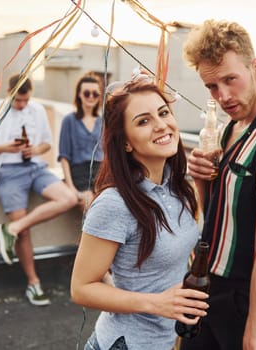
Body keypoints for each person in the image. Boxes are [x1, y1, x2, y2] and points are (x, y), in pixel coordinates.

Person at [181, 19, 256, 350]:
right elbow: (214, 214)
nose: (222, 95)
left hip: (243, 297)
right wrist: (201, 177)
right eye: (211, 87)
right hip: (208, 285)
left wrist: (253, 341)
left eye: (230, 80)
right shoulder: (229, 129)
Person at [70, 78, 209, 350]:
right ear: (126, 143)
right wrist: (157, 303)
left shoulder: (178, 187)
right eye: (143, 121)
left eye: (164, 112)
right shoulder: (115, 203)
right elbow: (81, 288)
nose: (161, 125)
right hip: (125, 344)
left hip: (164, 341)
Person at [0, 74, 78, 306]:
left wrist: (33, 151)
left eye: (26, 100)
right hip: (6, 172)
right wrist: (6, 147)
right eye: (18, 101)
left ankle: (10, 228)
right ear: (9, 92)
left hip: (35, 167)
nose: (22, 105)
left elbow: (47, 143)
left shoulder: (37, 110)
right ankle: (33, 283)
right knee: (24, 233)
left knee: (69, 198)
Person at [58, 73, 104, 211]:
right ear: (79, 94)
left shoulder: (103, 123)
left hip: (101, 173)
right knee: (90, 206)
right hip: (79, 174)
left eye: (95, 94)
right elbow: (64, 156)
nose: (91, 97)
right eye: (87, 93)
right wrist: (71, 187)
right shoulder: (69, 120)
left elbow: (108, 154)